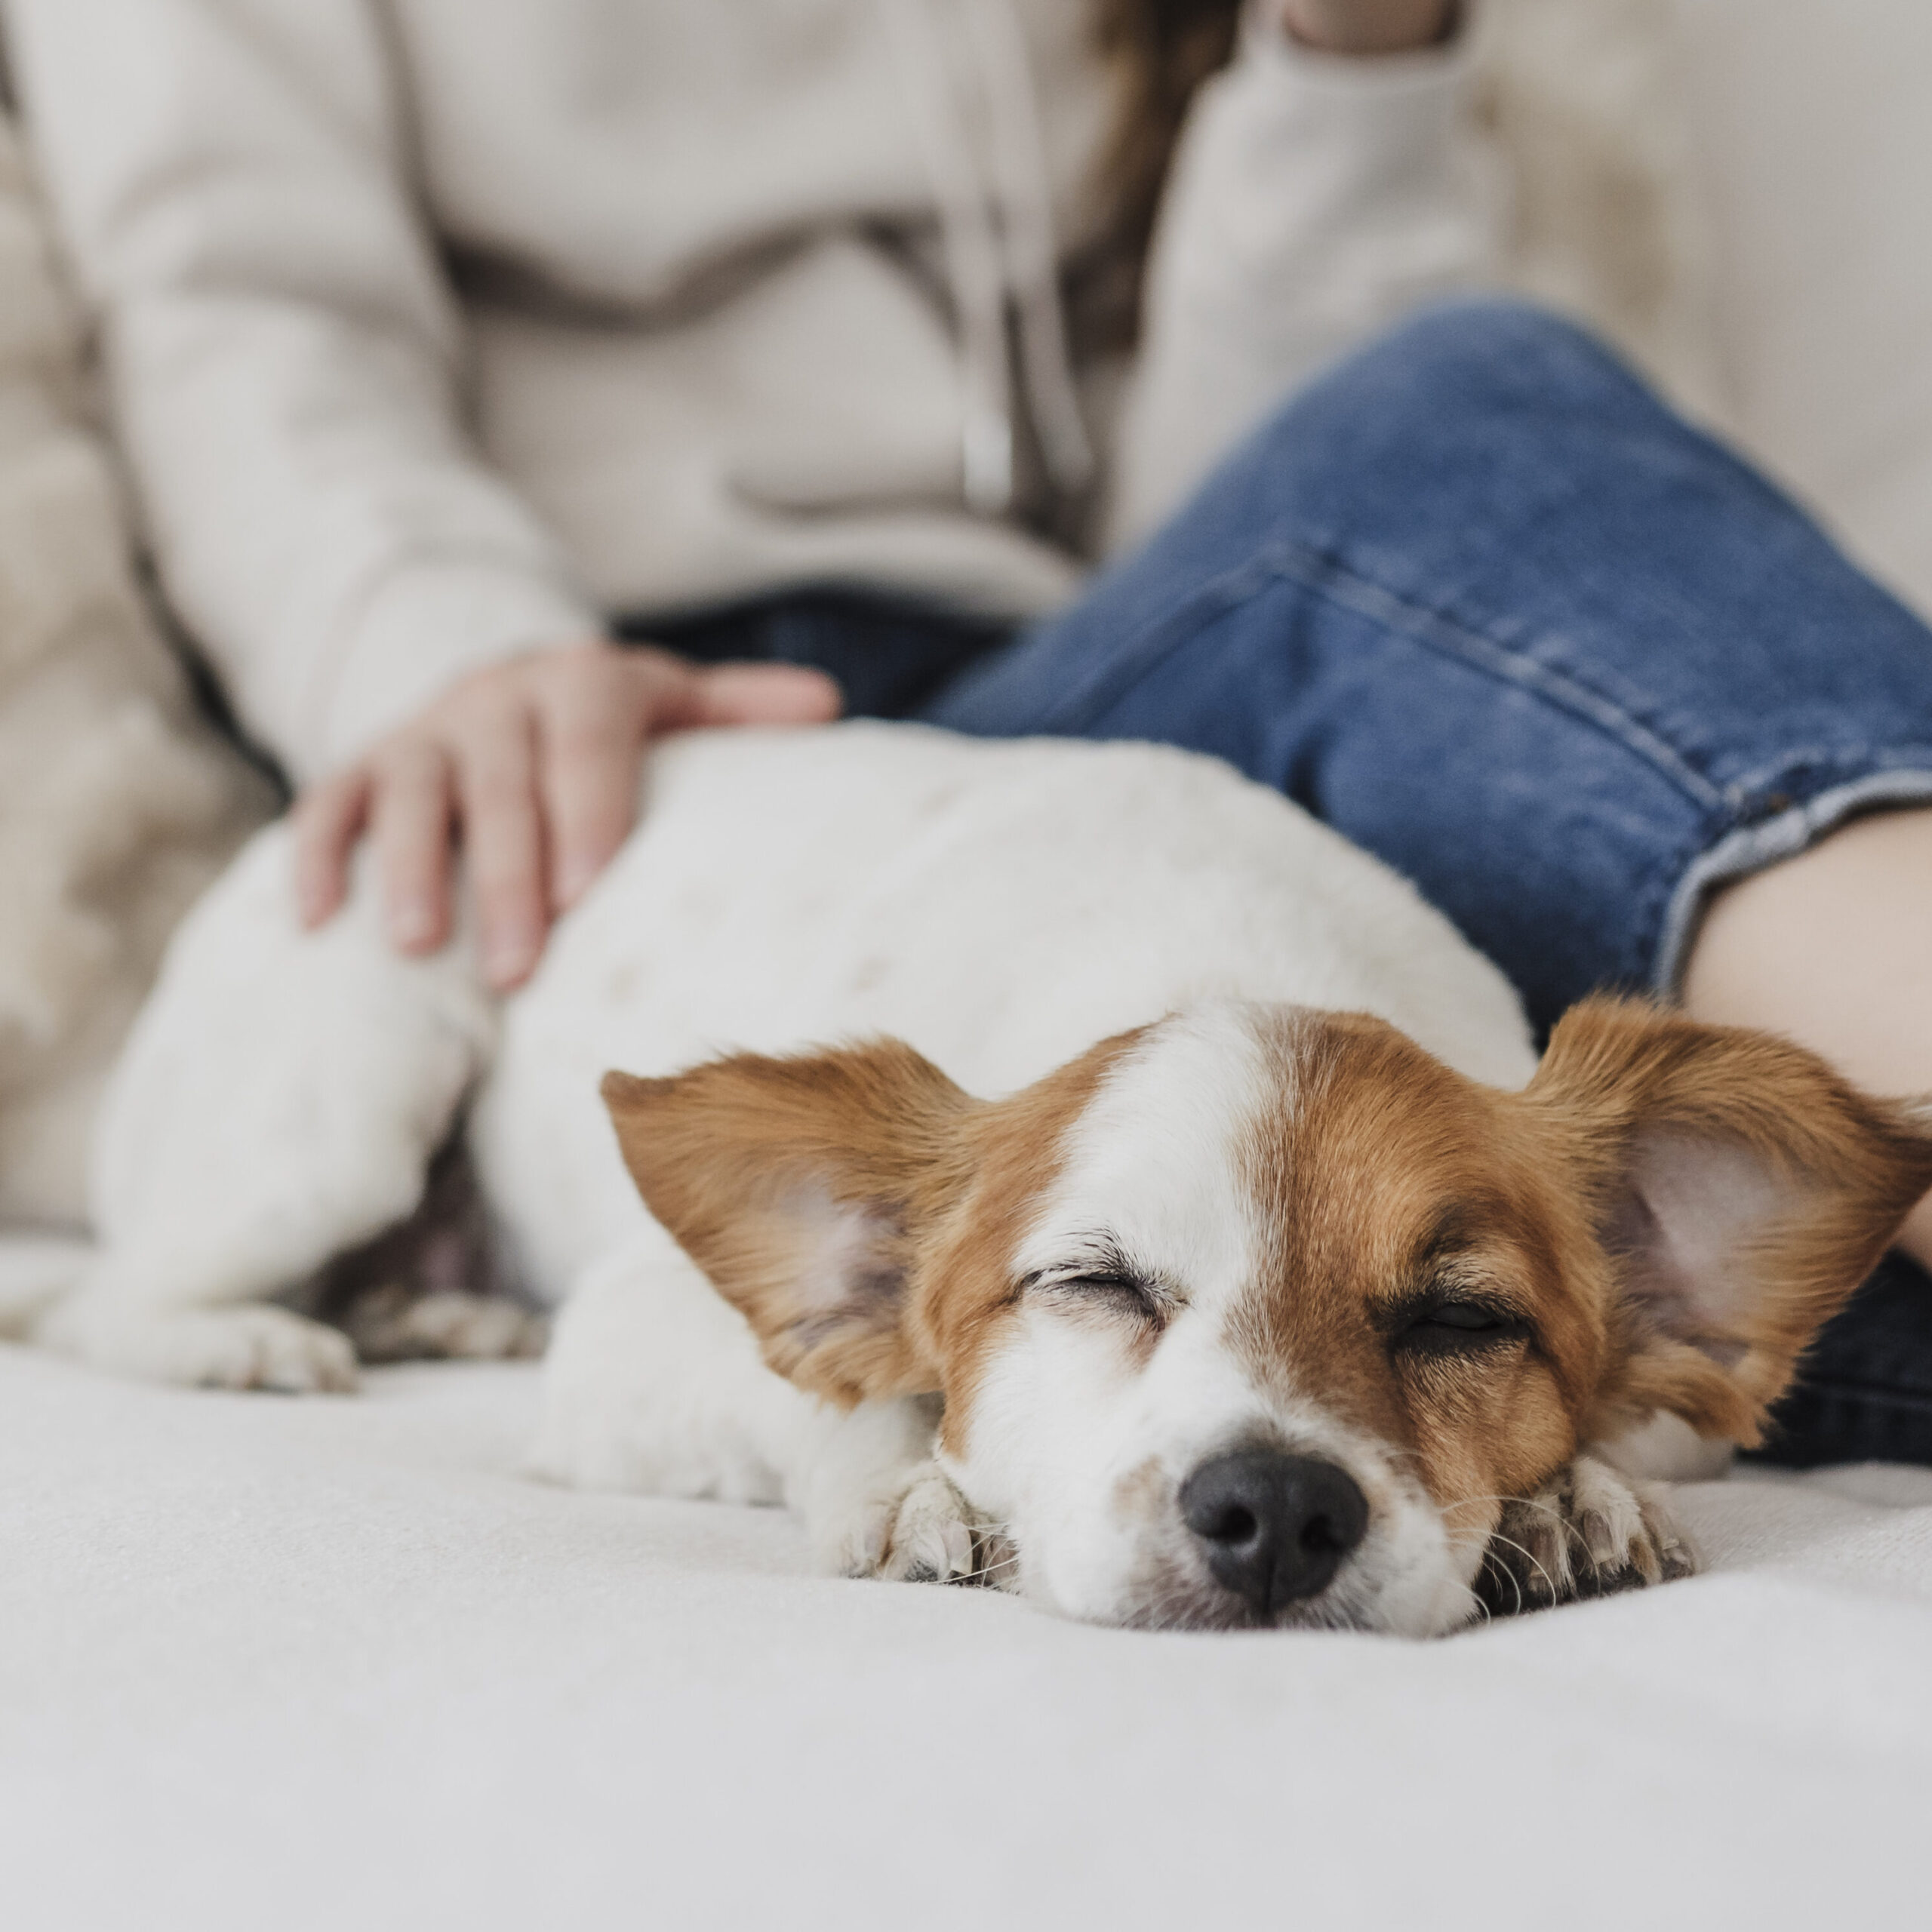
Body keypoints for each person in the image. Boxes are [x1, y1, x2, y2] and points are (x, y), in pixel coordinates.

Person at [8, 0, 1932, 1463]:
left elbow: (1277, 503)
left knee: (1611, 1253)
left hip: (1110, 704)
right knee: (1470, 399)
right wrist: (443, 655)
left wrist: (1351, 63)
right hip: (639, 724)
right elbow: (232, 295)